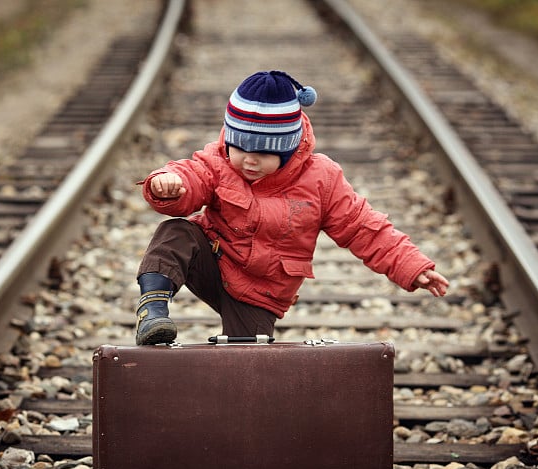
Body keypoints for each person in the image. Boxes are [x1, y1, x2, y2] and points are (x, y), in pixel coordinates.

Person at [134, 70, 449, 345]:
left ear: (287, 149)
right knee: (175, 233)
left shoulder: (321, 179)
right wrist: (167, 183)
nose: (248, 159)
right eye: (239, 147)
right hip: (213, 263)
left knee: (247, 357)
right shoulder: (219, 161)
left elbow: (362, 226)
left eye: (261, 152)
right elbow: (192, 176)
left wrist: (412, 267)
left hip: (261, 292)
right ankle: (153, 310)